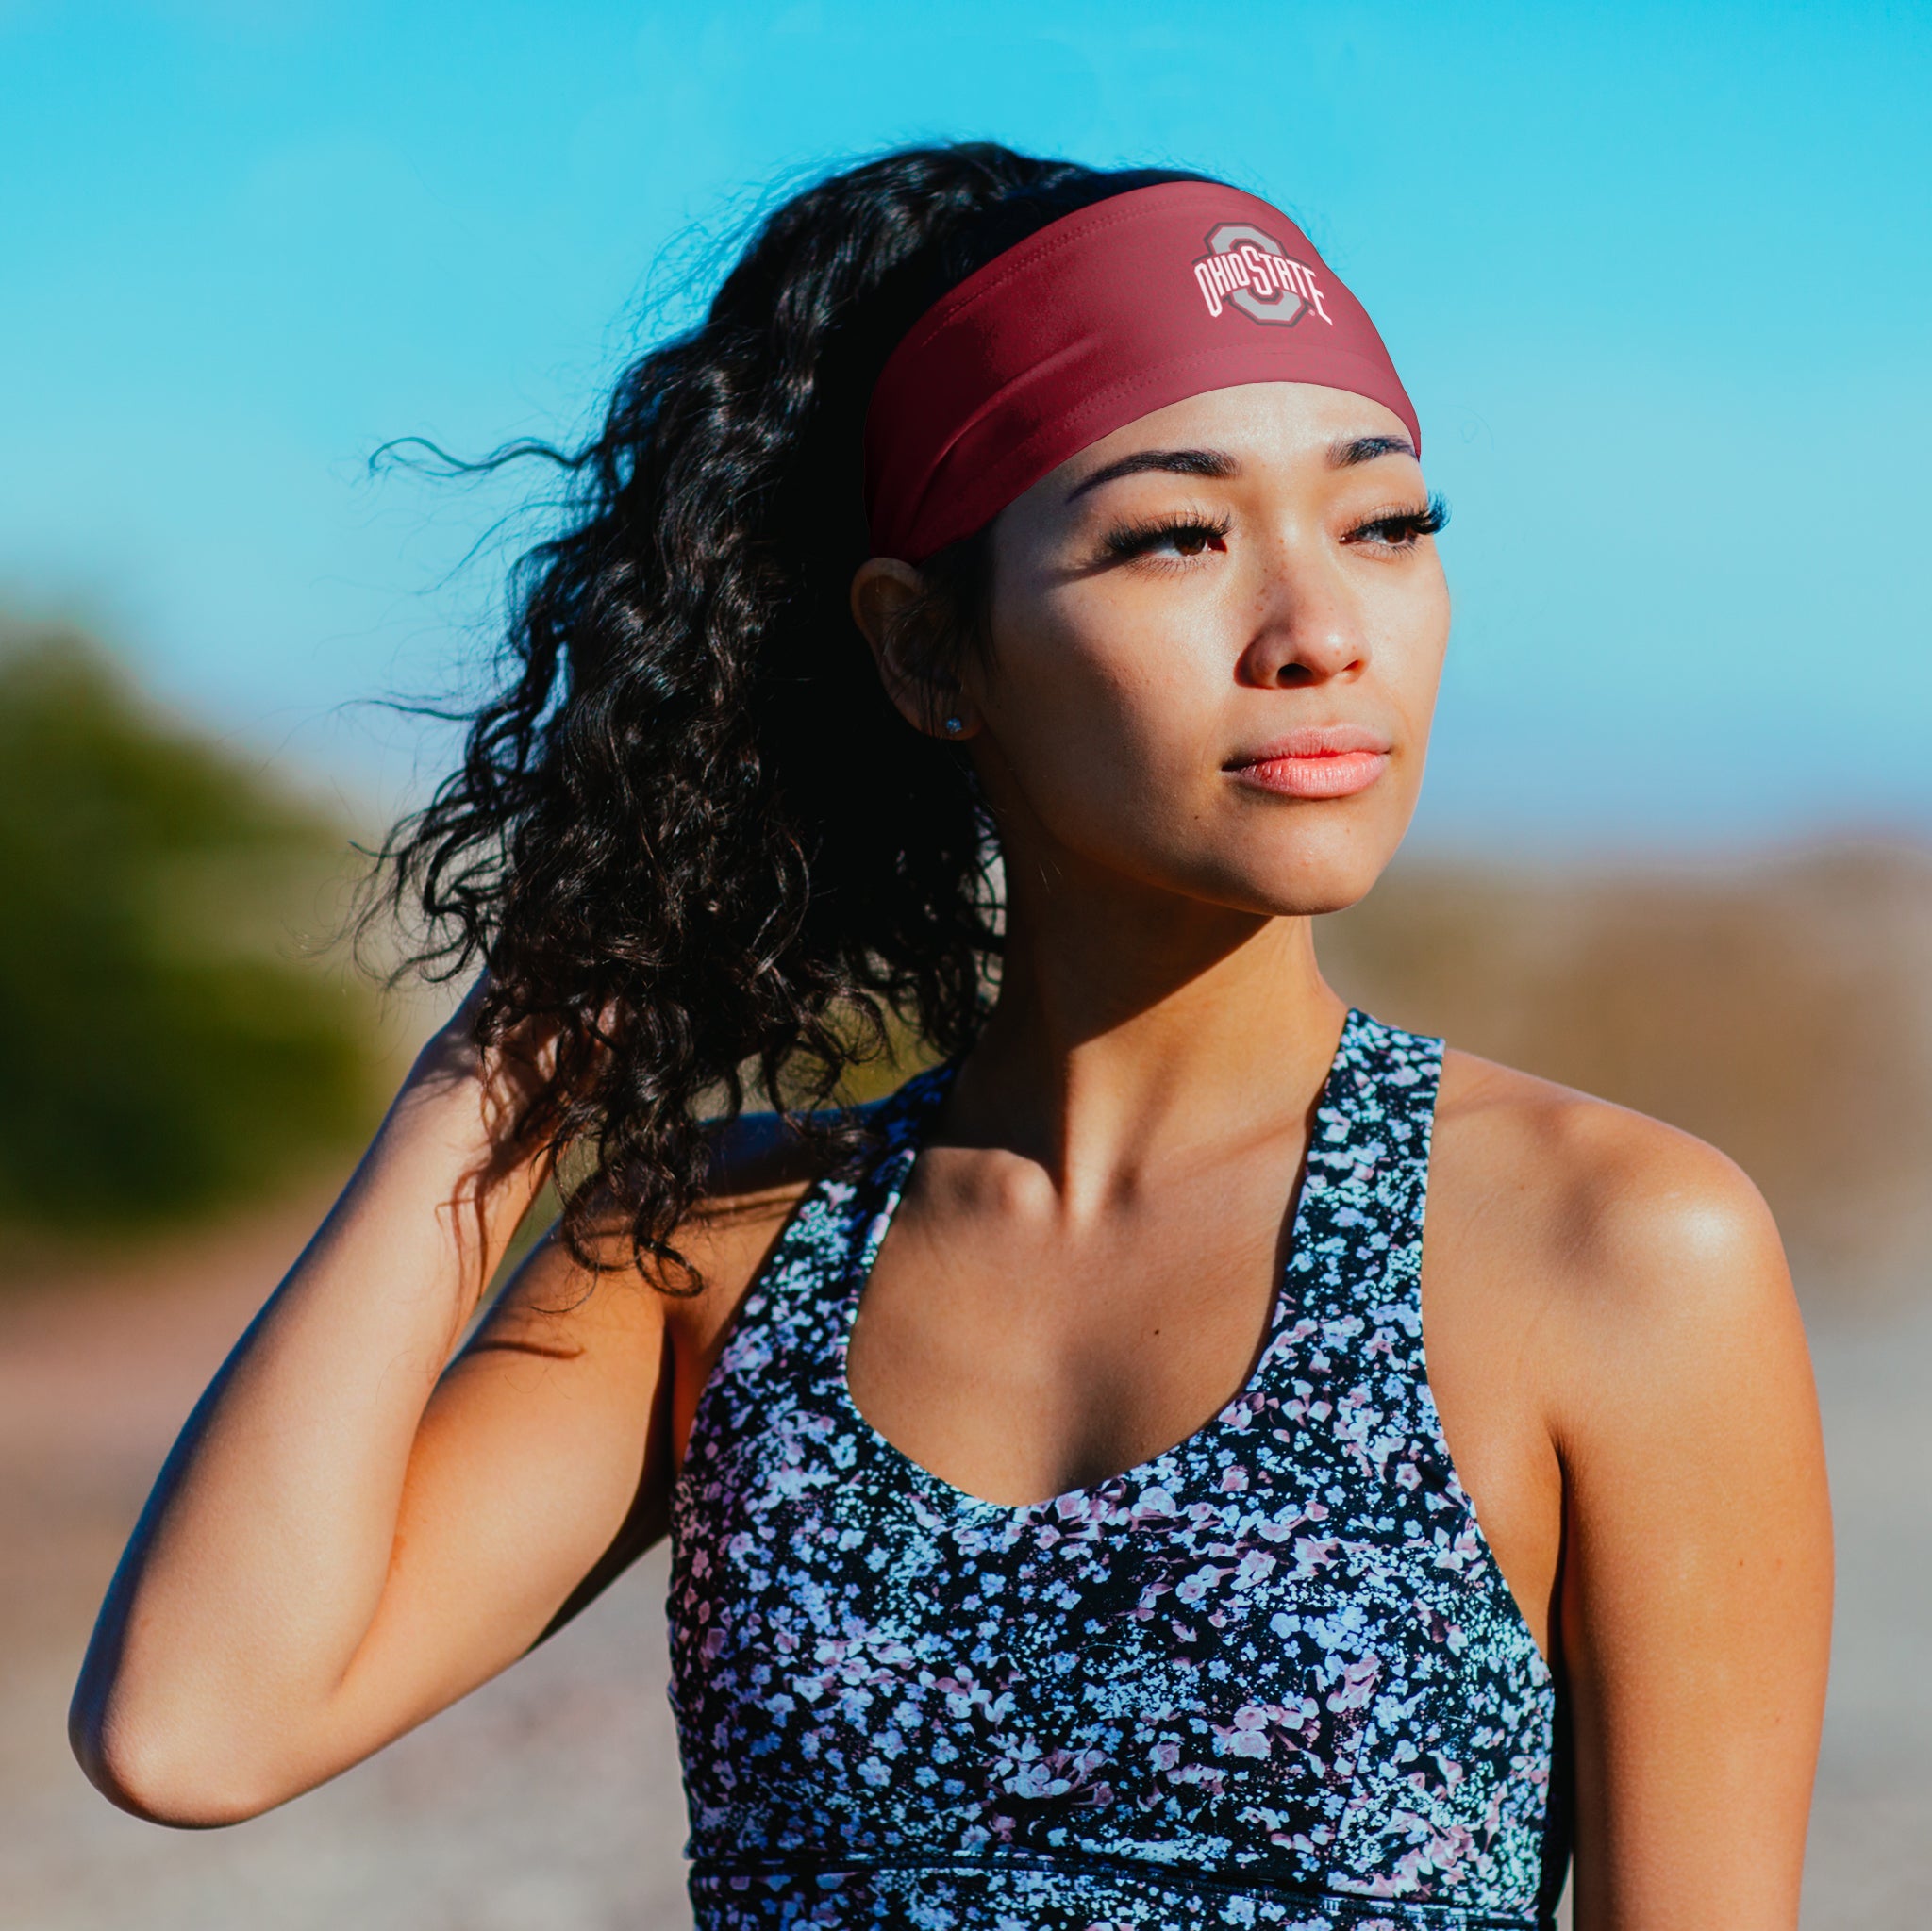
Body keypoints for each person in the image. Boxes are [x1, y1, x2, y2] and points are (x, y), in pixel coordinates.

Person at [70, 144, 1832, 1930]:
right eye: (1177, 536)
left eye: (1386, 525)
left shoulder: (1611, 1248)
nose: (1320, 632)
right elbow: (195, 1728)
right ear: (927, 652)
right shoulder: (714, 1262)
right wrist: (530, 1040)